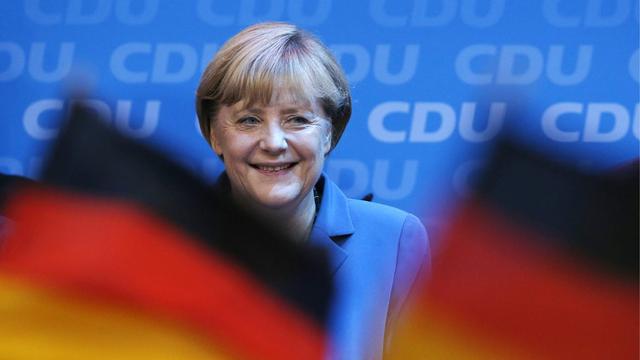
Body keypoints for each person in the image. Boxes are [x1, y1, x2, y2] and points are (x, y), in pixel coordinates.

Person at [195, 22, 429, 359]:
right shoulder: (165, 239)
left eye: (297, 120)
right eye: (249, 120)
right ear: (215, 135)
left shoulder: (394, 241)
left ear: (330, 133)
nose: (274, 143)